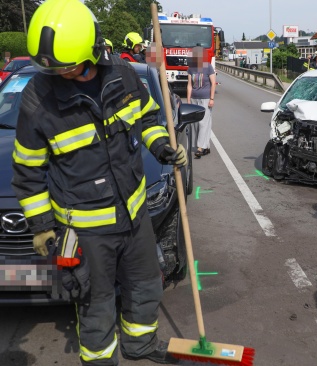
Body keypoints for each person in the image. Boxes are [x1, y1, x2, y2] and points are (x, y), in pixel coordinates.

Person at [12, 0, 186, 364]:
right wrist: (43, 227)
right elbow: (28, 170)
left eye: (69, 66)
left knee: (146, 287)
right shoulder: (38, 99)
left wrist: (162, 148)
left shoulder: (122, 75)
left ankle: (139, 345)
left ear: (92, 50)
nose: (62, 75)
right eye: (54, 69)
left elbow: (149, 117)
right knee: (95, 303)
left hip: (135, 217)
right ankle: (100, 360)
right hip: (86, 230)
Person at [187, 46, 216, 159]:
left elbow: (213, 83)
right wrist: (188, 100)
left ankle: (200, 147)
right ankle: (206, 146)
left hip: (205, 98)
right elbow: (189, 85)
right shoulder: (191, 69)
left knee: (203, 123)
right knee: (195, 124)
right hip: (194, 98)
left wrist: (212, 98)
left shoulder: (208, 67)